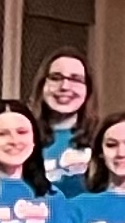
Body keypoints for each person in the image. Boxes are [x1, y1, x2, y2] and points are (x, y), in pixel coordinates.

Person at [32, 51, 96, 192]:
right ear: (42, 86)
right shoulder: (23, 135)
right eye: (56, 78)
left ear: (88, 89)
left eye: (76, 79)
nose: (65, 86)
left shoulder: (103, 136)